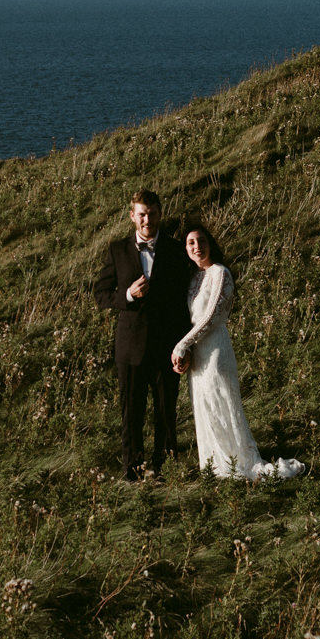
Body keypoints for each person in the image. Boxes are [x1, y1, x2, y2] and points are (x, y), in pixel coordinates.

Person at [170, 226, 305, 481]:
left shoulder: (221, 273)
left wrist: (182, 344)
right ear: (186, 250)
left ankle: (238, 464)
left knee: (223, 404)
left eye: (201, 241)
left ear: (210, 243)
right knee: (206, 406)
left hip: (216, 348)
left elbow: (210, 317)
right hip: (198, 353)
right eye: (190, 243)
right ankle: (216, 466)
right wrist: (187, 350)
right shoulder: (193, 278)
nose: (197, 246)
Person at [92, 190, 193, 480]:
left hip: (167, 346)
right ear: (132, 216)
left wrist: (185, 346)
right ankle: (133, 469)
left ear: (160, 213)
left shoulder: (175, 250)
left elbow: (182, 302)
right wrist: (128, 295)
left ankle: (164, 468)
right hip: (130, 347)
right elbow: (100, 294)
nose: (147, 219)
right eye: (141, 214)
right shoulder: (117, 250)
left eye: (151, 213)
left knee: (166, 412)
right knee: (131, 412)